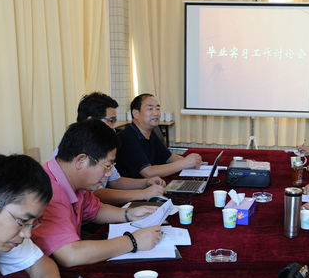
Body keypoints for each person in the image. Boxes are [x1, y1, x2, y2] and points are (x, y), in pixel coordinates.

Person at [32, 120, 163, 267]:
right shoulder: (48, 191)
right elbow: (70, 255)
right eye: (107, 166)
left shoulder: (76, 180)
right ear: (81, 160)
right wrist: (132, 241)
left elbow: (95, 210)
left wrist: (129, 214)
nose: (109, 173)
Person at [53, 92, 166, 205]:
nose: (115, 126)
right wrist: (142, 194)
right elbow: (96, 194)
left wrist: (146, 183)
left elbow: (115, 181)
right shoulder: (75, 148)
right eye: (111, 120)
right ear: (91, 121)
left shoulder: (102, 146)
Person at [115, 93, 202, 178]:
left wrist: (192, 162)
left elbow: (168, 157)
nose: (156, 113)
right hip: (134, 187)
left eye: (158, 109)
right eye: (150, 109)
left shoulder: (150, 132)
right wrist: (184, 163)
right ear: (136, 114)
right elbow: (148, 172)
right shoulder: (127, 138)